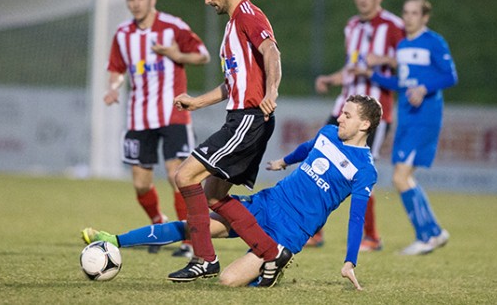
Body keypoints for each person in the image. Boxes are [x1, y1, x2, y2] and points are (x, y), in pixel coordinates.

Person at [82, 94, 383, 289]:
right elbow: (309, 147)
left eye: (347, 115)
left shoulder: (365, 170)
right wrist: (284, 161)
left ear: (364, 124)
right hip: (269, 202)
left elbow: (356, 219)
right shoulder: (329, 132)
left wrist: (349, 261)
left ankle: (273, 263)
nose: (339, 117)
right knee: (195, 225)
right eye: (342, 112)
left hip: (290, 231)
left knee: (228, 281)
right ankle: (116, 240)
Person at [165, 0, 288, 287]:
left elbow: (271, 51)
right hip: (242, 118)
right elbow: (232, 82)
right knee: (214, 193)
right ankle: (269, 251)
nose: (206, 0)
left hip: (248, 120)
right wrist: (196, 101)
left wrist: (273, 90)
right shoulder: (234, 24)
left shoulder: (248, 16)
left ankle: (204, 259)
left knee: (185, 174)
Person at [104, 0, 210, 258]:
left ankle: (189, 239)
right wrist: (113, 89)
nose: (136, 4)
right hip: (139, 118)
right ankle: (158, 225)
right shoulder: (123, 34)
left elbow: (202, 55)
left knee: (180, 176)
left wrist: (177, 54)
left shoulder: (172, 27)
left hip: (174, 115)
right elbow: (115, 69)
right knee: (140, 183)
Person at [357, 0, 458, 255]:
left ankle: (426, 236)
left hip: (425, 117)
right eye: (406, 12)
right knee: (404, 177)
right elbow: (402, 84)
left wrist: (425, 88)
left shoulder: (433, 42)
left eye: (415, 13)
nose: (409, 17)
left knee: (400, 177)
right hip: (406, 116)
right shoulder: (402, 46)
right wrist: (373, 76)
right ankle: (434, 232)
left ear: (425, 17)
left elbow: (450, 75)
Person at [312, 0, 404, 250]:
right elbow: (351, 68)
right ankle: (315, 232)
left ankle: (372, 237)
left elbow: (408, 63)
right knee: (319, 162)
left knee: (361, 171)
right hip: (343, 106)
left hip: (372, 113)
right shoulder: (351, 26)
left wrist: (383, 61)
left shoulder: (393, 26)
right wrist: (331, 78)